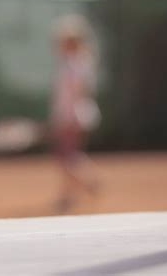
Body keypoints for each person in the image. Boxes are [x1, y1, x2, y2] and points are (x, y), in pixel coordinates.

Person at [49, 14, 101, 212]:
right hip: (72, 114)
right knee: (69, 154)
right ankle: (69, 195)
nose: (58, 43)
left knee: (65, 155)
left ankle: (88, 182)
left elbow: (77, 93)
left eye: (63, 40)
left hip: (72, 115)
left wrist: (68, 117)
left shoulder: (73, 64)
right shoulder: (76, 62)